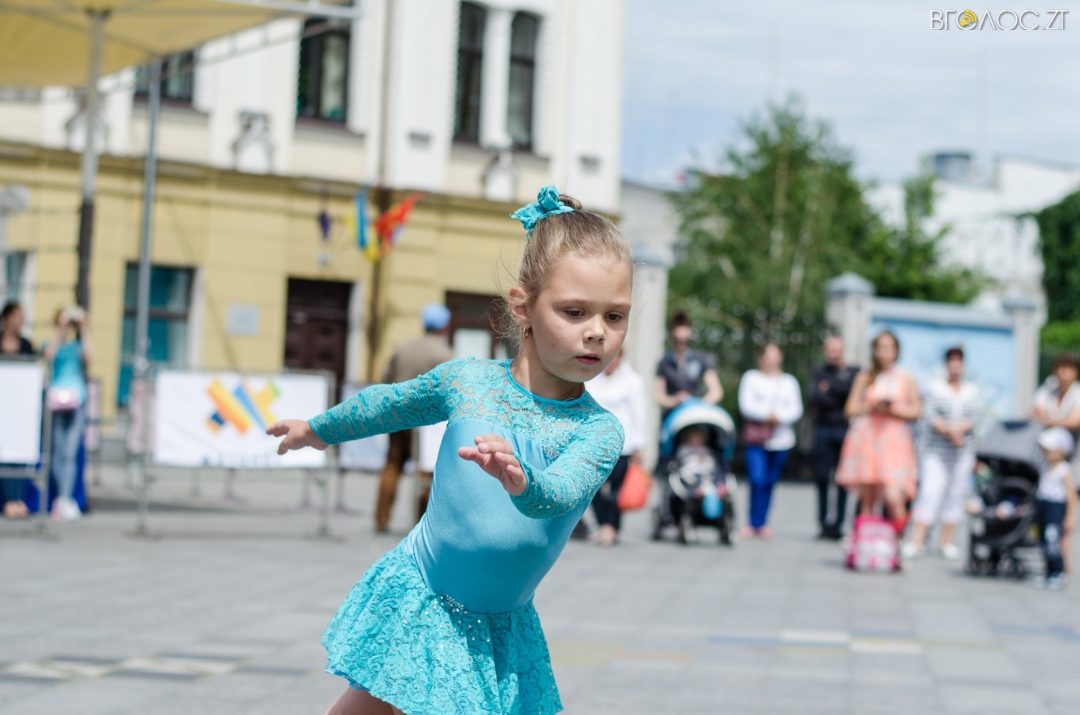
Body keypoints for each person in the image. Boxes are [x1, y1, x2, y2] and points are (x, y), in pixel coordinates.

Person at [267, 185, 631, 715]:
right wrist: (319, 428)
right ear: (523, 307)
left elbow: (562, 491)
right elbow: (390, 404)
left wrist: (524, 480)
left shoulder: (599, 430)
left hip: (497, 627)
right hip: (423, 590)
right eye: (575, 312)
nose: (597, 333)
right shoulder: (468, 381)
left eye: (615, 316)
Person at [372, 303, 454, 533]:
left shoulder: (403, 348)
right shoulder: (444, 353)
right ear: (445, 326)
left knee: (392, 465)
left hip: (398, 416)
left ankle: (381, 518)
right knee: (425, 470)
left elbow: (386, 379)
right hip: (427, 422)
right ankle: (421, 522)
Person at [836, 331, 921, 534]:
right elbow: (850, 409)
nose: (884, 352)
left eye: (888, 347)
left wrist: (892, 410)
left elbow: (916, 411)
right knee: (867, 498)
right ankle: (865, 542)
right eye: (880, 347)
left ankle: (897, 541)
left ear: (896, 351)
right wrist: (871, 407)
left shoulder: (905, 378)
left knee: (893, 496)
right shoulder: (866, 377)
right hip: (869, 439)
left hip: (893, 441)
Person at [903, 347, 982, 560]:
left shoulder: (971, 390)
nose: (955, 365)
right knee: (930, 493)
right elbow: (929, 414)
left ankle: (946, 542)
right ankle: (916, 541)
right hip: (936, 451)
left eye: (958, 360)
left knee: (956, 494)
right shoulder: (935, 387)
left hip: (962, 451)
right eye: (951, 360)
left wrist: (960, 430)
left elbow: (975, 416)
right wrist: (948, 430)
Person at [737, 343, 803, 539]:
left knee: (770, 481)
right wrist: (766, 416)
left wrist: (778, 418)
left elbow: (796, 409)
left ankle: (763, 522)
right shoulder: (751, 378)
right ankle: (752, 522)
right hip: (757, 440)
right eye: (767, 356)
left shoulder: (789, 381)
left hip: (781, 439)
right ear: (761, 358)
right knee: (757, 479)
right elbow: (746, 405)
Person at [585, 348, 648, 546]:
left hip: (624, 444)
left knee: (617, 490)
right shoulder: (591, 378)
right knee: (593, 486)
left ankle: (611, 527)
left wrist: (639, 445)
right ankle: (604, 524)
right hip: (596, 442)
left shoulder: (632, 381)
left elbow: (639, 413)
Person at [1031, 352, 1080, 575]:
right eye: (1060, 368)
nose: (1063, 373)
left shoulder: (1077, 393)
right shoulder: (1048, 389)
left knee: (1067, 508)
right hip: (1047, 455)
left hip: (1073, 457)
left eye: (1068, 368)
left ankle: (1064, 559)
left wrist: (1050, 421)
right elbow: (1035, 412)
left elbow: (1075, 421)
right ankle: (1051, 560)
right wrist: (1055, 421)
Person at [43, 305, 92, 521]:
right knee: (57, 452)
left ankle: (65, 498)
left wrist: (84, 328)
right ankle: (59, 497)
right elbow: (48, 355)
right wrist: (60, 330)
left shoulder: (78, 346)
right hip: (56, 400)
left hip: (76, 399)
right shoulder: (52, 343)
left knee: (70, 452)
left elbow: (89, 357)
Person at [809, 335, 858, 540]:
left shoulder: (853, 372)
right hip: (823, 429)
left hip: (845, 430)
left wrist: (831, 388)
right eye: (830, 350)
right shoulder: (819, 371)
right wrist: (839, 389)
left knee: (842, 480)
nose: (834, 354)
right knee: (822, 477)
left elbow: (851, 396)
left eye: (837, 350)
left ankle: (838, 524)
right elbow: (815, 397)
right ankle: (823, 523)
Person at [1, 300, 35, 518]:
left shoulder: (26, 345)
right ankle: (5, 501)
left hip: (20, 408)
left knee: (19, 454)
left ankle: (17, 500)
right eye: (17, 317)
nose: (20, 321)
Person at [655, 311, 722, 419]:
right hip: (673, 416)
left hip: (695, 415)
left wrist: (698, 404)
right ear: (672, 335)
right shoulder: (664, 363)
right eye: (678, 340)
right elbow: (659, 397)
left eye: (684, 340)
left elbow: (716, 392)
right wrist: (675, 401)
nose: (681, 344)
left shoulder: (701, 359)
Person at [1033, 428, 1077, 590]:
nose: (1046, 453)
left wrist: (1070, 517)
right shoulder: (1043, 466)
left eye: (1049, 450)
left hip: (1055, 508)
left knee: (1052, 539)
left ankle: (1058, 572)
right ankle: (1048, 572)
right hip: (1042, 505)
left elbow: (1071, 495)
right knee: (1042, 541)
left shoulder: (1063, 470)